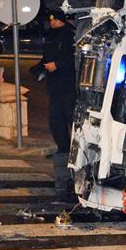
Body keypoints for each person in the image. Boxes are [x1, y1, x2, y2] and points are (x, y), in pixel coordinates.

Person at [42, 11, 77, 203]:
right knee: (55, 119)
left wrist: (58, 65)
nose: (52, 22)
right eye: (51, 19)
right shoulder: (52, 35)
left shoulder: (70, 34)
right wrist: (41, 68)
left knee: (68, 117)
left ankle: (71, 151)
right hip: (54, 85)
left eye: (55, 19)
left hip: (67, 84)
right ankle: (62, 148)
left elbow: (73, 58)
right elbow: (46, 55)